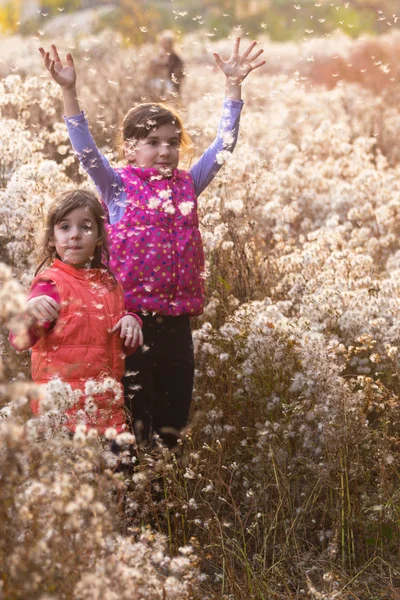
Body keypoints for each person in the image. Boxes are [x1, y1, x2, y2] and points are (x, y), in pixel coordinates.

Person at [39, 37, 265, 450]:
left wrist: (233, 88)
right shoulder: (117, 188)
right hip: (129, 325)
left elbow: (224, 147)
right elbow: (85, 149)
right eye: (153, 142)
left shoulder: (187, 186)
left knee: (171, 425)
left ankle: (162, 504)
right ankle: (133, 501)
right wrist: (68, 90)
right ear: (130, 148)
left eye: (173, 143)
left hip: (178, 327)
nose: (165, 151)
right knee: (132, 425)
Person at [9, 189, 143, 435]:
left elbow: (121, 348)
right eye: (65, 227)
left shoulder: (110, 284)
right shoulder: (50, 283)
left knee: (117, 473)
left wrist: (130, 322)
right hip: (61, 415)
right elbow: (20, 341)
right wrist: (28, 314)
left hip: (108, 414)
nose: (75, 235)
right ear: (51, 238)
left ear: (100, 237)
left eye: (85, 227)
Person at [149, 30, 185, 101]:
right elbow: (151, 72)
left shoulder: (176, 58)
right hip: (157, 87)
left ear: (171, 44)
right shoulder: (157, 57)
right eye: (162, 42)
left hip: (171, 87)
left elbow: (180, 75)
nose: (164, 45)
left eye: (166, 43)